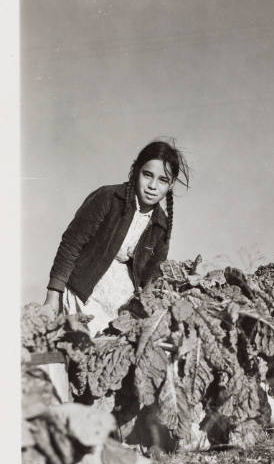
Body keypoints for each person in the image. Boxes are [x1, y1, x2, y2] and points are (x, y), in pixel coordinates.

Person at [44, 139, 189, 337]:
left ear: (170, 185)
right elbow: (71, 244)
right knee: (83, 355)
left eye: (162, 180)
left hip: (120, 307)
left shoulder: (161, 226)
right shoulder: (108, 198)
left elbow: (152, 277)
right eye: (147, 175)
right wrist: (53, 296)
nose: (152, 186)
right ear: (136, 171)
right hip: (84, 291)